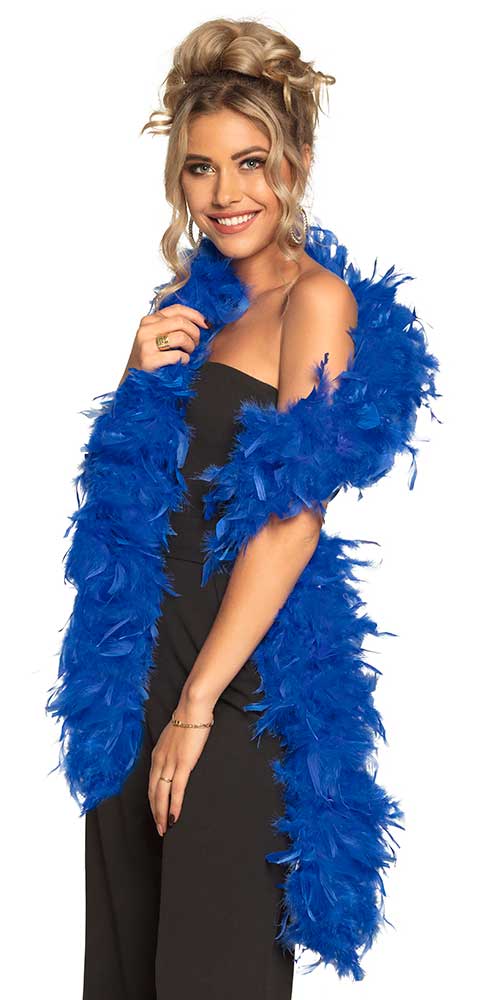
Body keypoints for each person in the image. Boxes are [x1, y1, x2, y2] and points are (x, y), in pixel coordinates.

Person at [46, 15, 440, 1000]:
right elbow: (131, 499)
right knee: (125, 972)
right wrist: (134, 375)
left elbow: (292, 517)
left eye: (250, 162)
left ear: (296, 163)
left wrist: (196, 706)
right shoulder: (197, 303)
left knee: (210, 973)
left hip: (236, 680)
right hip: (135, 668)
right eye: (200, 167)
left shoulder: (317, 303)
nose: (225, 193)